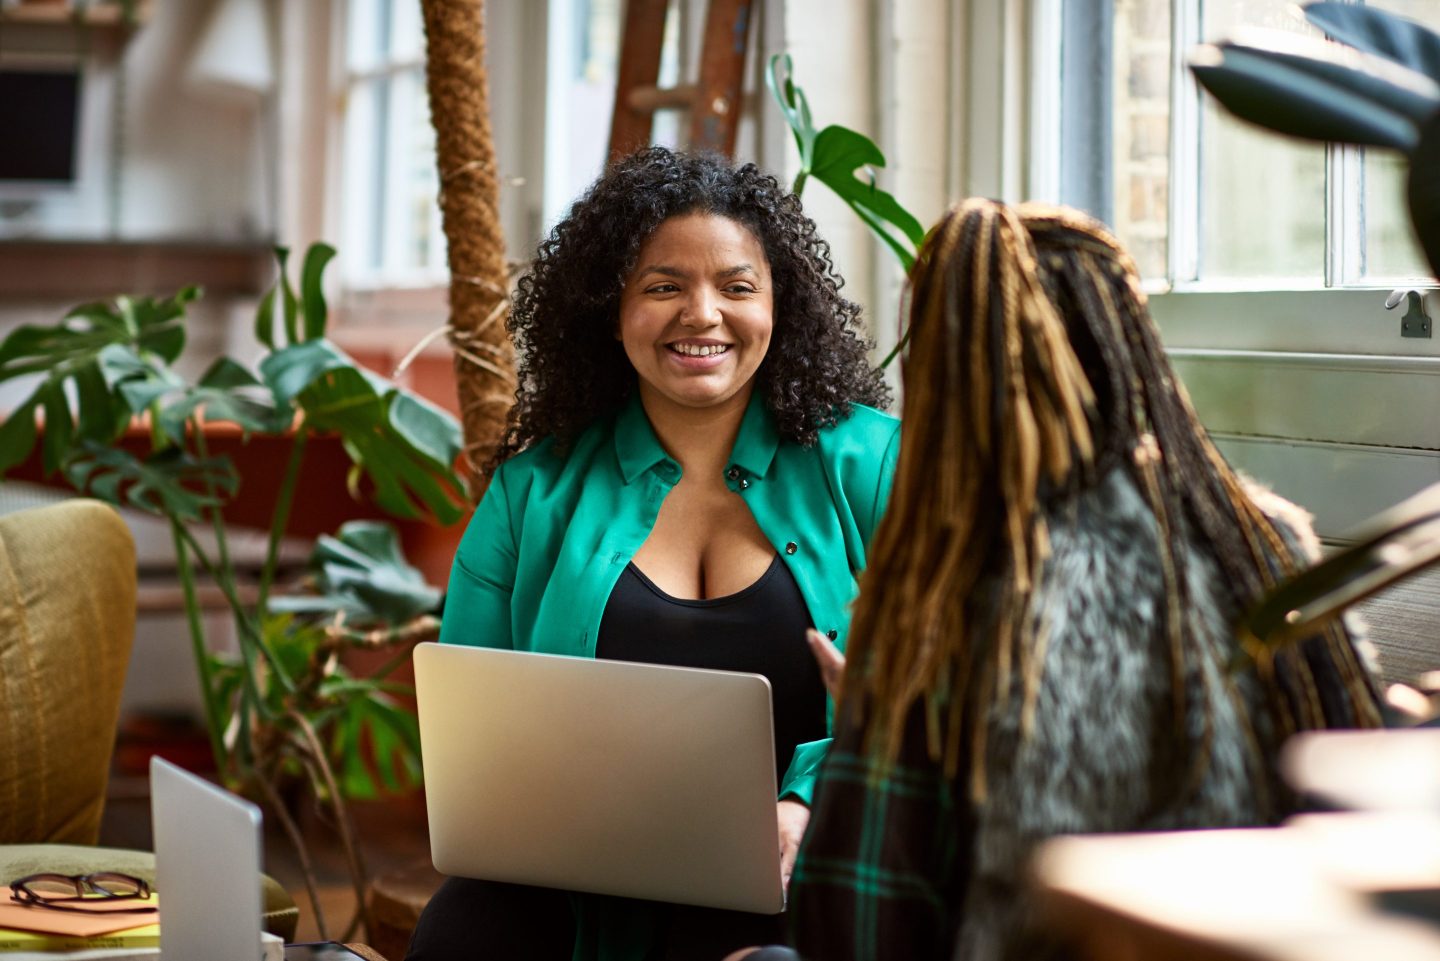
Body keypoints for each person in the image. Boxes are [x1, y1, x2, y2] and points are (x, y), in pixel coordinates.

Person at [739, 199, 1384, 961]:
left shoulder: (945, 586)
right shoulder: (1260, 540)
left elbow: (854, 926)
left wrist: (878, 729)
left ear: (939, 375)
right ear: (1133, 354)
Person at [406, 146, 900, 961]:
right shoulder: (531, 494)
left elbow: (952, 689)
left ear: (782, 305)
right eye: (664, 286)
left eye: (737, 286)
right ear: (612, 309)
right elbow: (472, 743)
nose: (702, 314)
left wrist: (811, 800)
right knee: (464, 926)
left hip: (807, 876)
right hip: (578, 890)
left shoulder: (877, 465)